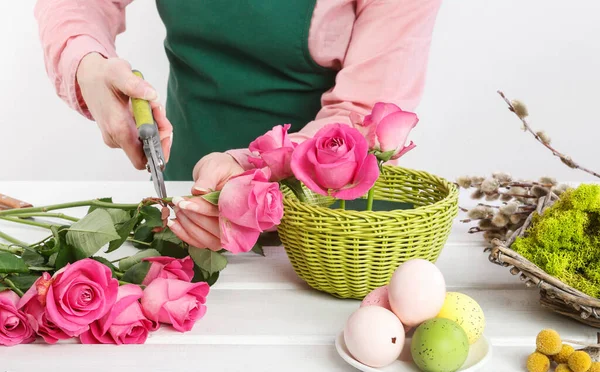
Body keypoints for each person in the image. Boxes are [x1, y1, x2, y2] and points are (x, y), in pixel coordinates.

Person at [35, 0, 442, 250]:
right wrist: (87, 64)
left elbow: (368, 112)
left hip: (329, 231)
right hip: (189, 199)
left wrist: (250, 167)